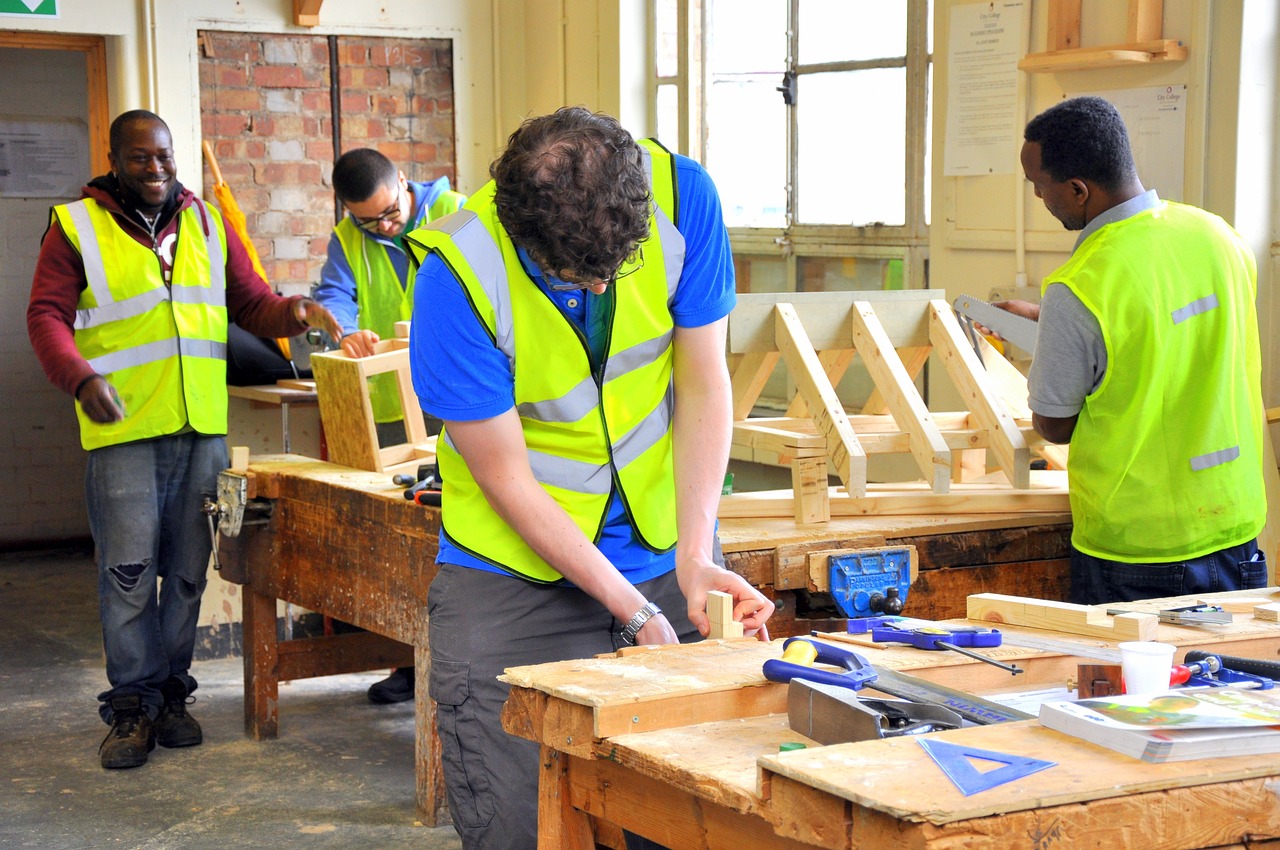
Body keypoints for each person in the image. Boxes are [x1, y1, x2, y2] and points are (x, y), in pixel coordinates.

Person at [404, 107, 775, 850]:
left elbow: (703, 382)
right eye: (580, 275)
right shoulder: (456, 276)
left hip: (661, 538)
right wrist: (632, 612)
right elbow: (506, 479)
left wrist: (696, 555)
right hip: (509, 565)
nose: (603, 290)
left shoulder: (684, 198)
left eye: (618, 269)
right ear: (522, 234)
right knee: (519, 819)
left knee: (697, 805)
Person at [26, 110, 342, 770]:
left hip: (201, 430)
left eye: (164, 156)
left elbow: (248, 303)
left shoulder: (203, 220)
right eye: (140, 157)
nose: (156, 168)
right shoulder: (75, 227)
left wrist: (296, 311)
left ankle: (174, 697)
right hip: (125, 432)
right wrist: (80, 379)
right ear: (114, 159)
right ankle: (132, 708)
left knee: (189, 575)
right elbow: (46, 317)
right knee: (130, 575)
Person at [998, 95, 1267, 606]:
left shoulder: (1081, 284)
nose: (1038, 196)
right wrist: (1048, 322)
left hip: (1138, 547)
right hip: (1234, 525)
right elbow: (1175, 332)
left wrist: (1060, 335)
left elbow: (1055, 424)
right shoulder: (1219, 236)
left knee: (1128, 686)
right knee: (1237, 685)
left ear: (1078, 190)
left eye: (1039, 185)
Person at [313, 148, 465, 705]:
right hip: (388, 401)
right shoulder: (349, 239)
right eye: (368, 220)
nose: (384, 226)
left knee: (447, 536)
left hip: (453, 398)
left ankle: (453, 663)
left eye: (390, 213)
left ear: (404, 182)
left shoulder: (455, 210)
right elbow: (331, 294)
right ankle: (406, 661)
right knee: (396, 539)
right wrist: (345, 329)